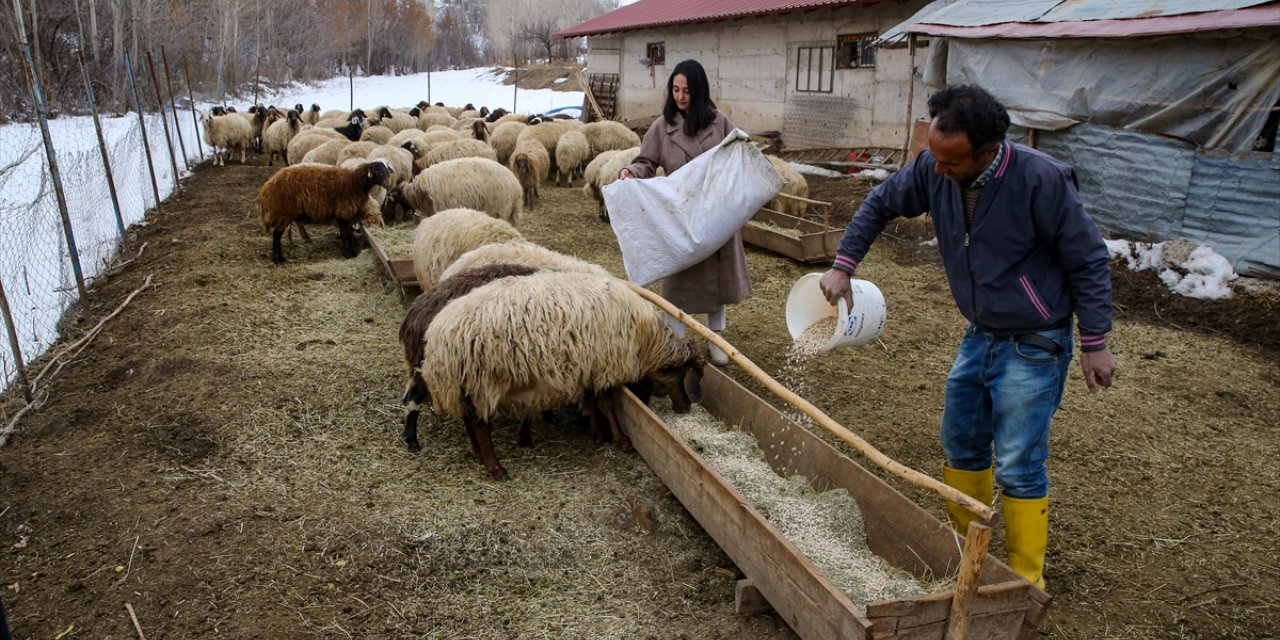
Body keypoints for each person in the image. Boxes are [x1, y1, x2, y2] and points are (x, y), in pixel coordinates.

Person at [819, 84, 1117, 590]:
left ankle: (1024, 583)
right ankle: (965, 558)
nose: (937, 170)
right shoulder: (933, 166)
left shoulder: (1040, 180)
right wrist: (844, 264)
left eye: (951, 162)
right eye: (932, 155)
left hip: (1034, 339)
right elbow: (879, 202)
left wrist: (1094, 339)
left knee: (1020, 462)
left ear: (987, 151)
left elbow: (1087, 258)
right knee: (961, 442)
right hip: (981, 332)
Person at [618, 59, 749, 365]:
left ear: (699, 91)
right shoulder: (662, 128)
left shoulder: (720, 123)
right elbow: (646, 161)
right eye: (675, 90)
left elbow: (737, 160)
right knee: (678, 282)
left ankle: (717, 339)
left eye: (686, 90)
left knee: (716, 283)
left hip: (716, 215)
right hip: (680, 217)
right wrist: (631, 173)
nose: (679, 96)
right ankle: (675, 341)